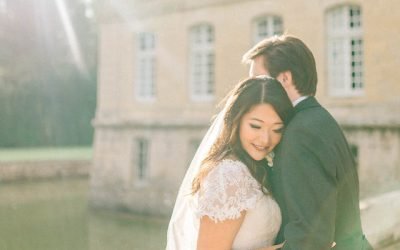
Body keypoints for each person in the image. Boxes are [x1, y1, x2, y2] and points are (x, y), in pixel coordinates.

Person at [242, 34, 372, 250]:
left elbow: (310, 237)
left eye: (258, 80)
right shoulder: (318, 119)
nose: (253, 90)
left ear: (284, 79)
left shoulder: (301, 133)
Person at [166, 77, 294, 250]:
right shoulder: (228, 175)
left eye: (277, 129)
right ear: (236, 121)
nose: (265, 139)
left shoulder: (253, 169)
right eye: (256, 126)